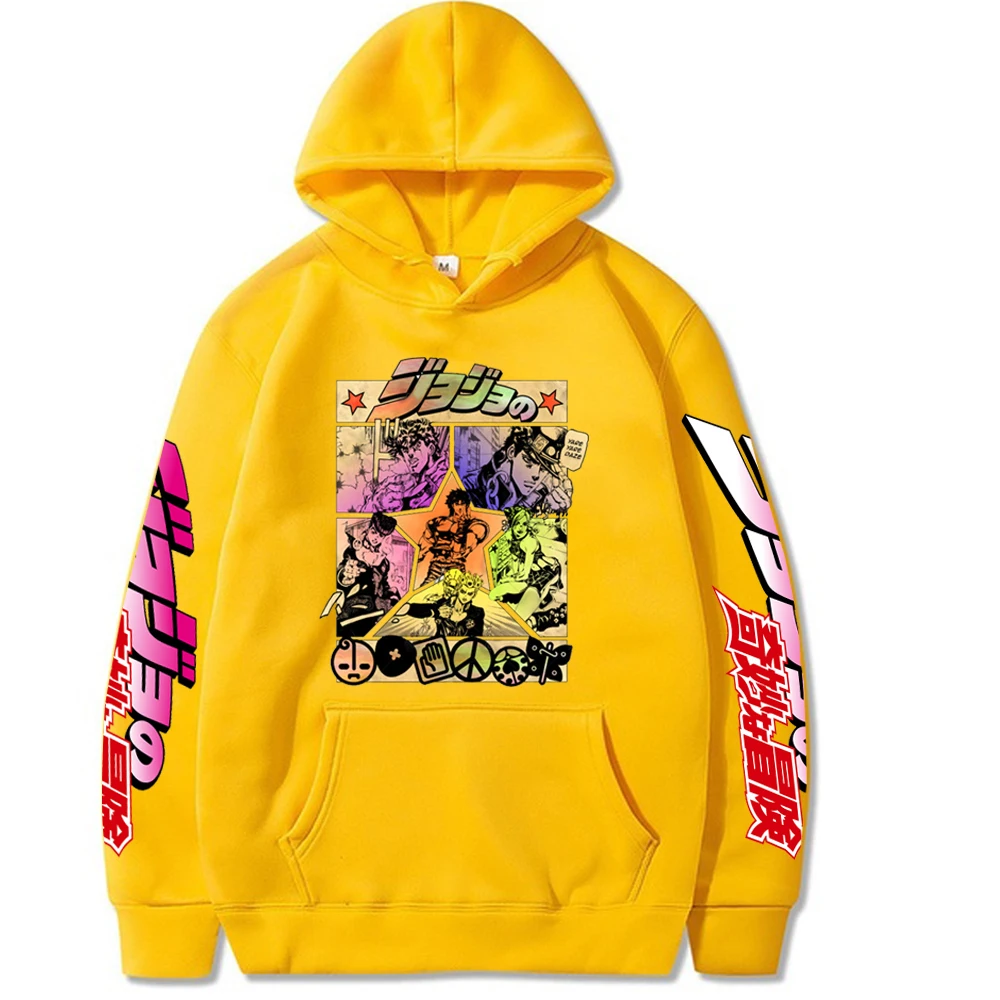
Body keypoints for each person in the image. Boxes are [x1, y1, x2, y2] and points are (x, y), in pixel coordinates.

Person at [466, 426, 573, 513]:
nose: (536, 475)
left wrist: (551, 512)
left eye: (544, 469)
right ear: (511, 452)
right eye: (529, 462)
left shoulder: (541, 499)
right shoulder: (471, 485)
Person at [489, 505, 565, 626]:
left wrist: (509, 579)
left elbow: (525, 574)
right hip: (533, 571)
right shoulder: (510, 537)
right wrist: (509, 580)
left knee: (529, 596)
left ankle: (541, 598)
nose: (520, 528)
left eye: (524, 524)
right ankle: (541, 598)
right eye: (517, 523)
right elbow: (518, 565)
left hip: (549, 569)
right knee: (495, 593)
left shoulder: (529, 542)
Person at [362, 417, 448, 511]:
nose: (410, 454)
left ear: (431, 449)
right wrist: (379, 502)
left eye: (416, 446)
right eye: (405, 450)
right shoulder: (405, 480)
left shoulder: (443, 479)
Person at [416, 488, 490, 585]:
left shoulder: (474, 526)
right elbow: (423, 546)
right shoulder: (438, 522)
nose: (460, 507)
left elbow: (466, 547)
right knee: (425, 590)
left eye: (463, 503)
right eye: (457, 504)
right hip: (436, 567)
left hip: (456, 568)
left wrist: (462, 528)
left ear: (467, 505)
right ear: (452, 505)